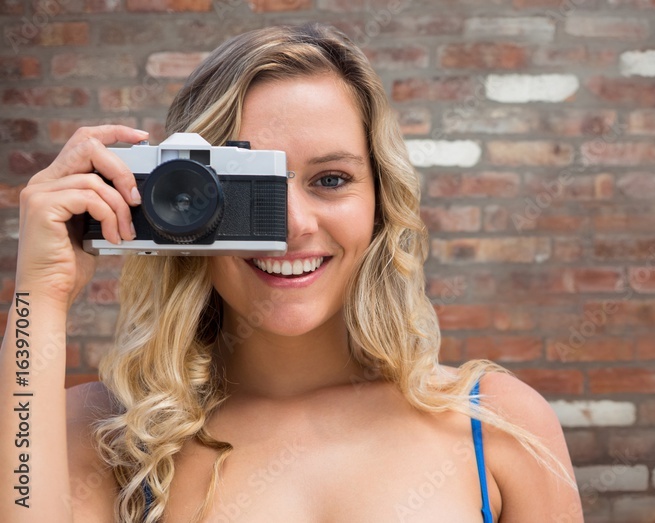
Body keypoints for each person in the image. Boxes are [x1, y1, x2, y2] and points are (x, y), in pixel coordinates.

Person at [2, 23, 581, 522]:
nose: (293, 225)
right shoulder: (95, 434)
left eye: (330, 180)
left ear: (381, 202)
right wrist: (41, 294)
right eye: (250, 190)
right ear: (180, 206)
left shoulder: (498, 424)